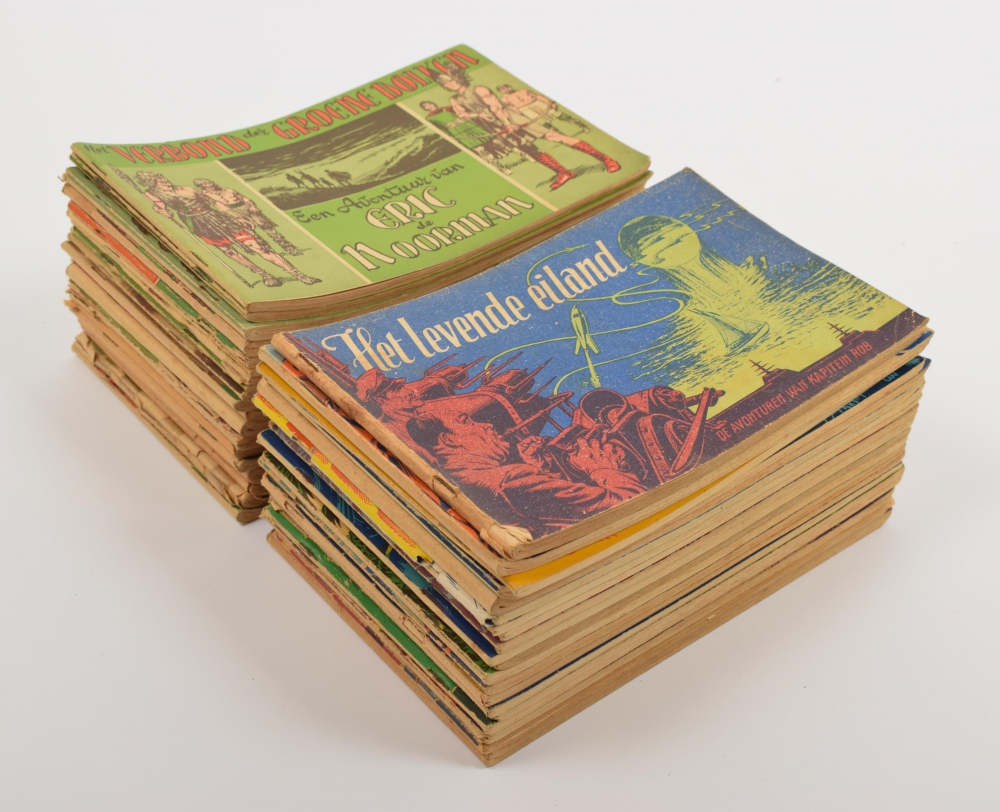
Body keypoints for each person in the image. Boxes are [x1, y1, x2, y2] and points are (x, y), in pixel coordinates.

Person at [408, 409, 644, 535]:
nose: (486, 425)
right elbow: (631, 506)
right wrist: (603, 468)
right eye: (466, 421)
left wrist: (537, 468)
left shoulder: (457, 479)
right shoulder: (511, 479)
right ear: (448, 440)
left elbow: (540, 509)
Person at [135, 172, 319, 287]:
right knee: (229, 251)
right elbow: (161, 208)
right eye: (160, 181)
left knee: (257, 246)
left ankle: (297, 274)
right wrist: (163, 211)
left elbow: (214, 202)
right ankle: (264, 274)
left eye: (163, 178)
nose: (165, 181)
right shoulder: (152, 194)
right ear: (153, 184)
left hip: (217, 217)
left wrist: (236, 216)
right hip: (198, 224)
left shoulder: (188, 189)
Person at [433, 68, 580, 190]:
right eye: (446, 84)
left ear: (458, 78)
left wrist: (507, 123)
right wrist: (478, 115)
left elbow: (496, 106)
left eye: (451, 81)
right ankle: (563, 172)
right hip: (492, 126)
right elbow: (462, 114)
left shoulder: (479, 89)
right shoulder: (454, 99)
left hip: (508, 119)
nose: (450, 85)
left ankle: (591, 156)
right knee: (528, 148)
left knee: (551, 136)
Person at [497, 84, 619, 174]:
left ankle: (605, 158)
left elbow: (535, 96)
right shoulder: (504, 99)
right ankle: (564, 173)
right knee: (548, 136)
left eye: (506, 87)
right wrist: (511, 122)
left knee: (561, 120)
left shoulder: (523, 90)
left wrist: (548, 102)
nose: (506, 89)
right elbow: (507, 109)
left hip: (535, 106)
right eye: (502, 89)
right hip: (523, 113)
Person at [193, 178, 302, 256]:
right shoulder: (206, 196)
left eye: (210, 182)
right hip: (232, 213)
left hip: (246, 208)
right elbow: (220, 206)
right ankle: (269, 252)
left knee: (268, 228)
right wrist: (235, 217)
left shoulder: (228, 190)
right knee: (252, 233)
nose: (210, 185)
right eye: (206, 184)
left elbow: (245, 199)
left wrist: (252, 206)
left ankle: (289, 248)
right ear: (202, 186)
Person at [419, 100, 511, 174]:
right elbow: (440, 130)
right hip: (459, 133)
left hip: (471, 127)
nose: (430, 106)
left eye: (429, 103)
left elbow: (464, 114)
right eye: (426, 106)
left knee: (494, 142)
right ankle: (502, 169)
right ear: (425, 109)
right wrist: (451, 137)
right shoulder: (430, 118)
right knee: (481, 150)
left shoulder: (448, 108)